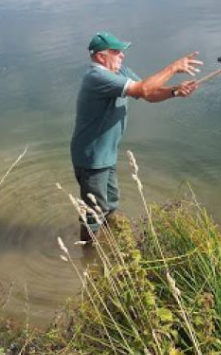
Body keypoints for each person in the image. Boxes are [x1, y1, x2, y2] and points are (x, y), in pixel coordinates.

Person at [70, 31, 202, 242]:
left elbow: (149, 93)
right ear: (101, 56)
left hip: (107, 153)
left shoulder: (119, 71)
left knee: (111, 202)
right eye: (117, 51)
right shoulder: (97, 76)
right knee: (95, 211)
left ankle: (109, 242)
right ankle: (88, 252)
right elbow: (143, 89)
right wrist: (173, 68)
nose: (122, 55)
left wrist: (175, 91)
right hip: (92, 157)